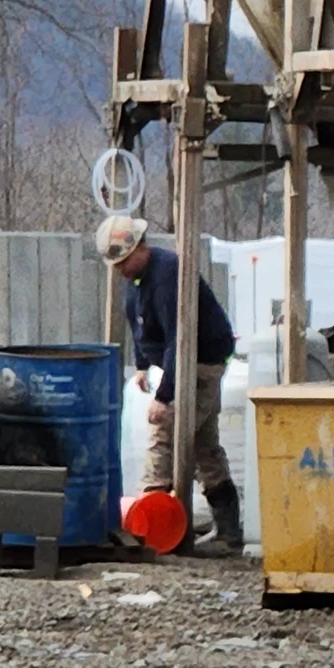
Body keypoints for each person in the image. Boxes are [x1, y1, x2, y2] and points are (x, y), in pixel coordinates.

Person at [96, 215, 242, 556]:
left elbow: (181, 338)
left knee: (165, 433)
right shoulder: (138, 280)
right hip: (185, 363)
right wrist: (144, 364)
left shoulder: (167, 275)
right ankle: (228, 531)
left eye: (122, 261)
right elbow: (138, 320)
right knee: (205, 447)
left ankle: (153, 524)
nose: (118, 269)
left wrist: (165, 396)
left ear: (139, 249)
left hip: (201, 364)